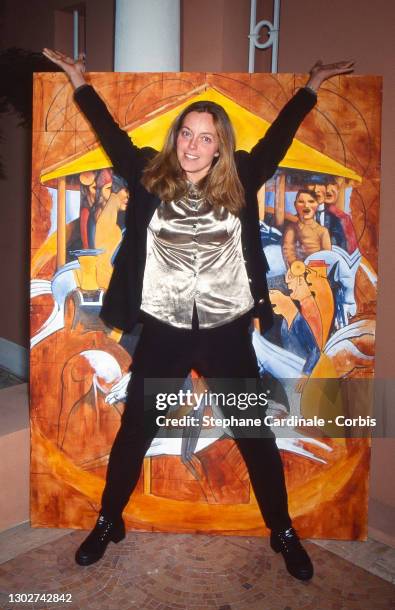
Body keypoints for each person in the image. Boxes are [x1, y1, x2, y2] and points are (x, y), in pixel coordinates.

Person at [42, 48, 354, 581]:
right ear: (175, 138)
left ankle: (282, 531)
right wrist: (79, 82)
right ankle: (107, 520)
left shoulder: (243, 177)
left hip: (225, 333)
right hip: (163, 331)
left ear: (220, 146)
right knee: (136, 430)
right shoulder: (146, 174)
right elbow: (111, 133)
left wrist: (312, 85)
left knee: (253, 433)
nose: (192, 144)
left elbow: (277, 138)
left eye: (205, 137)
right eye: (186, 133)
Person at [282, 189, 332, 265]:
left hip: (318, 271)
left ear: (317, 204)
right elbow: (288, 252)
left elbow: (327, 256)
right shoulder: (291, 229)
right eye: (301, 202)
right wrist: (297, 268)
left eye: (311, 201)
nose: (306, 205)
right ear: (295, 205)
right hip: (297, 270)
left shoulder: (323, 231)